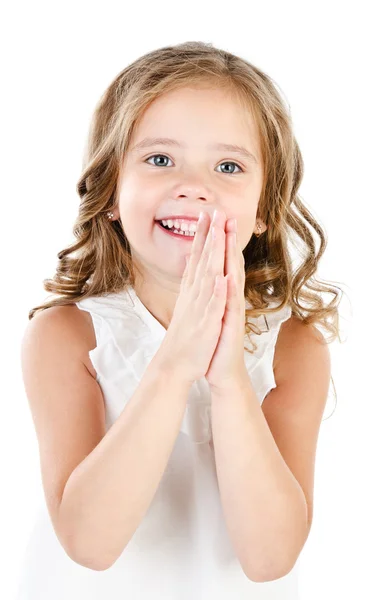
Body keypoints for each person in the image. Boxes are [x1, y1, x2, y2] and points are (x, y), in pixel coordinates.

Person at [18, 41, 344, 599]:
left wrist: (228, 380)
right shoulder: (68, 335)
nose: (194, 187)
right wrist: (174, 366)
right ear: (112, 192)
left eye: (228, 166)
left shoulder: (294, 344)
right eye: (160, 159)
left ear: (263, 207)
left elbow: (270, 559)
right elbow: (90, 543)